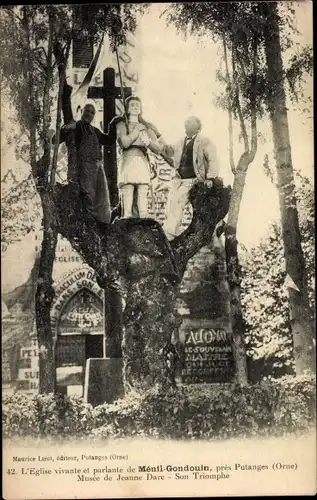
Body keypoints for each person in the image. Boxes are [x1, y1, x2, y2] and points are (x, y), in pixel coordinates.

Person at [163, 116, 220, 240]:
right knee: (171, 201)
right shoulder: (180, 141)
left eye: (190, 121)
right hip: (179, 180)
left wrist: (210, 177)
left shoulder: (204, 141)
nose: (186, 122)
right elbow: (168, 151)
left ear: (198, 127)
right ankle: (169, 231)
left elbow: (213, 159)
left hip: (194, 180)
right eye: (186, 121)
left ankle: (170, 234)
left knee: (178, 200)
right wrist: (155, 140)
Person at [59, 103, 112, 224]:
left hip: (97, 167)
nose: (89, 114)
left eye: (92, 112)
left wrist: (114, 123)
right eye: (87, 111)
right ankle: (88, 222)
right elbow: (57, 139)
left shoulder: (95, 131)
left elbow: (108, 139)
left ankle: (102, 223)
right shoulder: (76, 127)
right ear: (81, 111)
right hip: (84, 167)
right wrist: (64, 128)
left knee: (101, 197)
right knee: (88, 196)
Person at [114, 96, 165, 219]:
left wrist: (149, 142)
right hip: (128, 158)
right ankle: (127, 215)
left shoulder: (146, 126)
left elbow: (158, 149)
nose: (136, 107)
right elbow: (124, 143)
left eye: (137, 104)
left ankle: (143, 215)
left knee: (142, 187)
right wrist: (136, 132)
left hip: (142, 159)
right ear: (127, 108)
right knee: (128, 187)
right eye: (132, 105)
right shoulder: (122, 124)